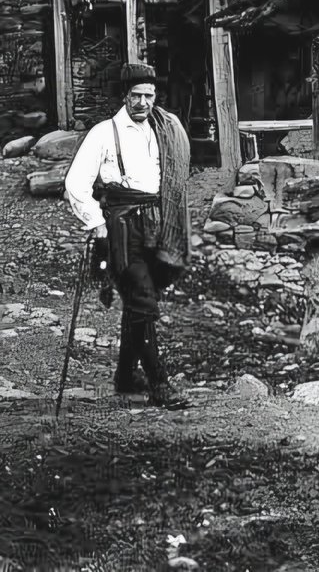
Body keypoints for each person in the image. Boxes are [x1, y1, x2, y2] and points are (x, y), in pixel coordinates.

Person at [63, 63, 192, 409]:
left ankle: (124, 377)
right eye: (136, 96)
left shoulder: (163, 129)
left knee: (139, 303)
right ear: (124, 96)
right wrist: (97, 223)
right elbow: (75, 184)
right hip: (121, 226)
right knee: (143, 301)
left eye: (148, 96)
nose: (142, 103)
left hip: (157, 223)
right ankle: (159, 383)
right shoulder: (104, 133)